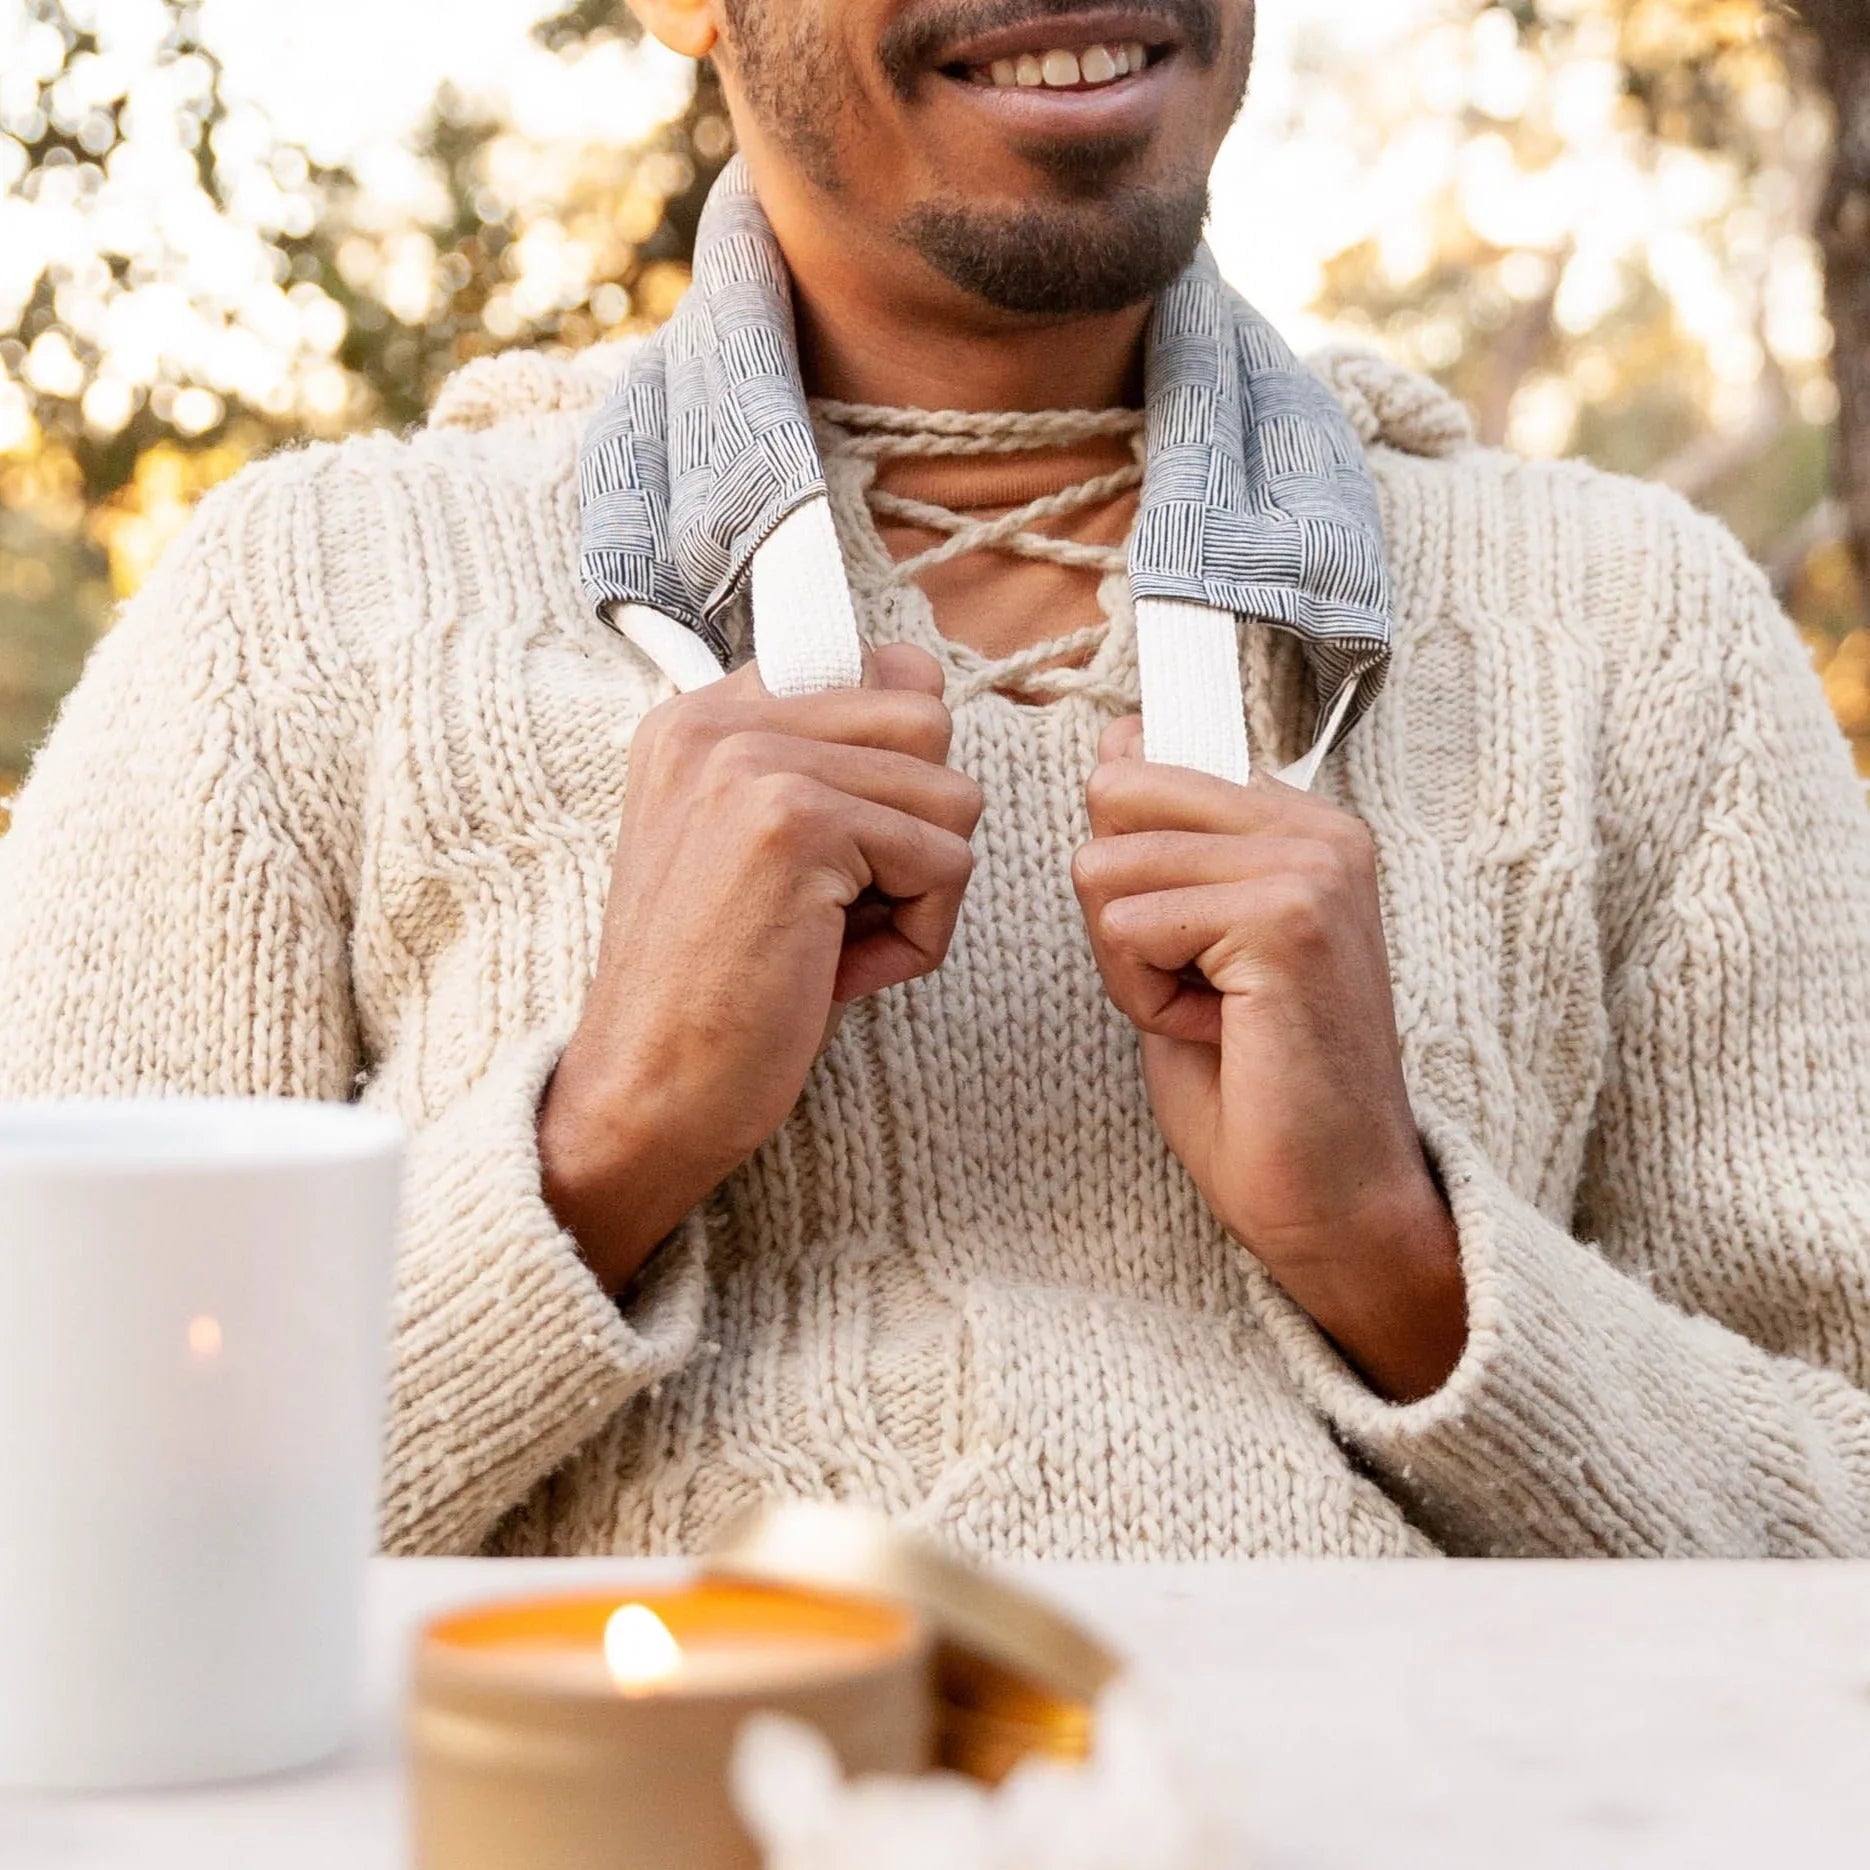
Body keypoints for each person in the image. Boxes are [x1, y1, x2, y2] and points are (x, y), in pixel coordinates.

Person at [5, 0, 1870, 1563]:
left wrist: (1399, 1256)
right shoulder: (297, 612)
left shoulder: (1635, 628)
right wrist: (602, 1144)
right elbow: (55, 1527)